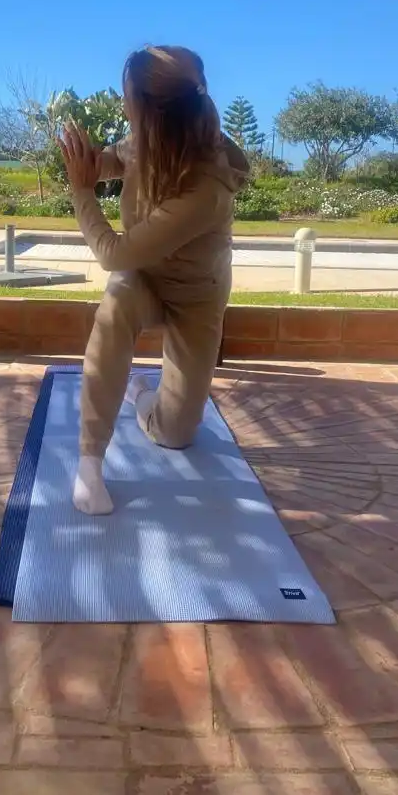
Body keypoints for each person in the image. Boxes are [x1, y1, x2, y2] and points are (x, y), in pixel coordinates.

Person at [58, 45, 249, 515]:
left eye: (127, 98)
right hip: (144, 278)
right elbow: (113, 160)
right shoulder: (147, 139)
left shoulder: (207, 188)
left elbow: (112, 252)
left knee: (176, 434)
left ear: (150, 110)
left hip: (195, 298)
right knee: (116, 304)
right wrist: (90, 162)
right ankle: (89, 464)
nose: (123, 107)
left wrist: (82, 192)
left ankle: (141, 393)